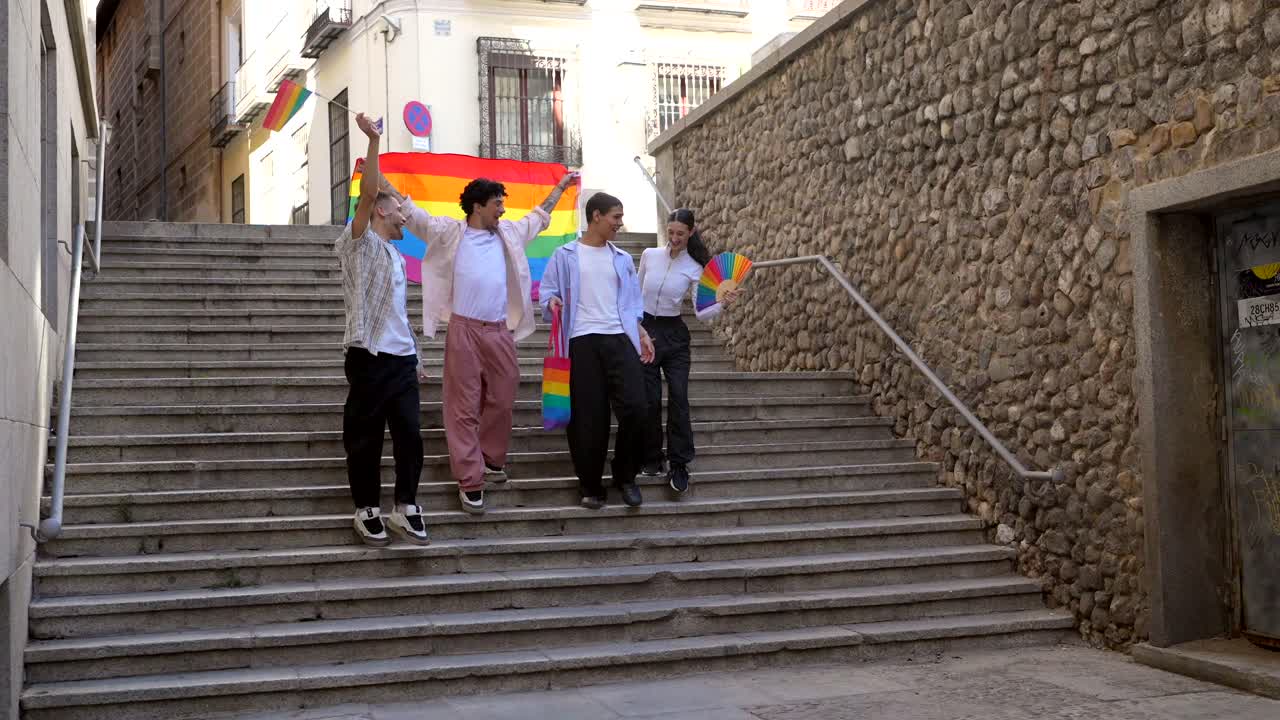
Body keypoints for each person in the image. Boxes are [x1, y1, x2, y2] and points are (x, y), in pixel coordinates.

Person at [379, 170, 577, 514]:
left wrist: (560, 186)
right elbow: (412, 214)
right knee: (463, 405)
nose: (503, 209)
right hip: (464, 330)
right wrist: (381, 182)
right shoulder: (449, 231)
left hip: (499, 331)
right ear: (477, 206)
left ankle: (490, 457)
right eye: (497, 204)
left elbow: (540, 217)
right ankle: (470, 479)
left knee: (502, 397)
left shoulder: (510, 232)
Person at [337, 113, 430, 546]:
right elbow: (372, 190)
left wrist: (416, 356)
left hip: (401, 359)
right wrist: (374, 142)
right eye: (396, 207)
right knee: (367, 436)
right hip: (369, 356)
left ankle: (406, 506)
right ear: (378, 211)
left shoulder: (396, 257)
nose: (404, 213)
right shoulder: (359, 242)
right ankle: (366, 508)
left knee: (410, 432)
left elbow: (396, 312)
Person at [538, 193, 656, 509]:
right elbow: (546, 292)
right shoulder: (564, 255)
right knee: (589, 419)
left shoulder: (621, 258)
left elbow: (632, 303)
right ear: (596, 217)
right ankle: (590, 484)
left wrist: (641, 332)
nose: (619, 223)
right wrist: (552, 302)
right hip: (581, 340)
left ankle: (625, 475)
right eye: (615, 217)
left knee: (636, 407)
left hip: (619, 337)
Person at [638, 209, 741, 495]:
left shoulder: (696, 268)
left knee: (679, 397)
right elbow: (634, 293)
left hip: (674, 336)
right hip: (645, 330)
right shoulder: (649, 255)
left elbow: (702, 312)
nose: (673, 239)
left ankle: (679, 463)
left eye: (680, 234)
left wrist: (722, 301)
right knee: (648, 398)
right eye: (670, 232)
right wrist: (634, 329)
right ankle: (650, 457)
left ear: (691, 233)